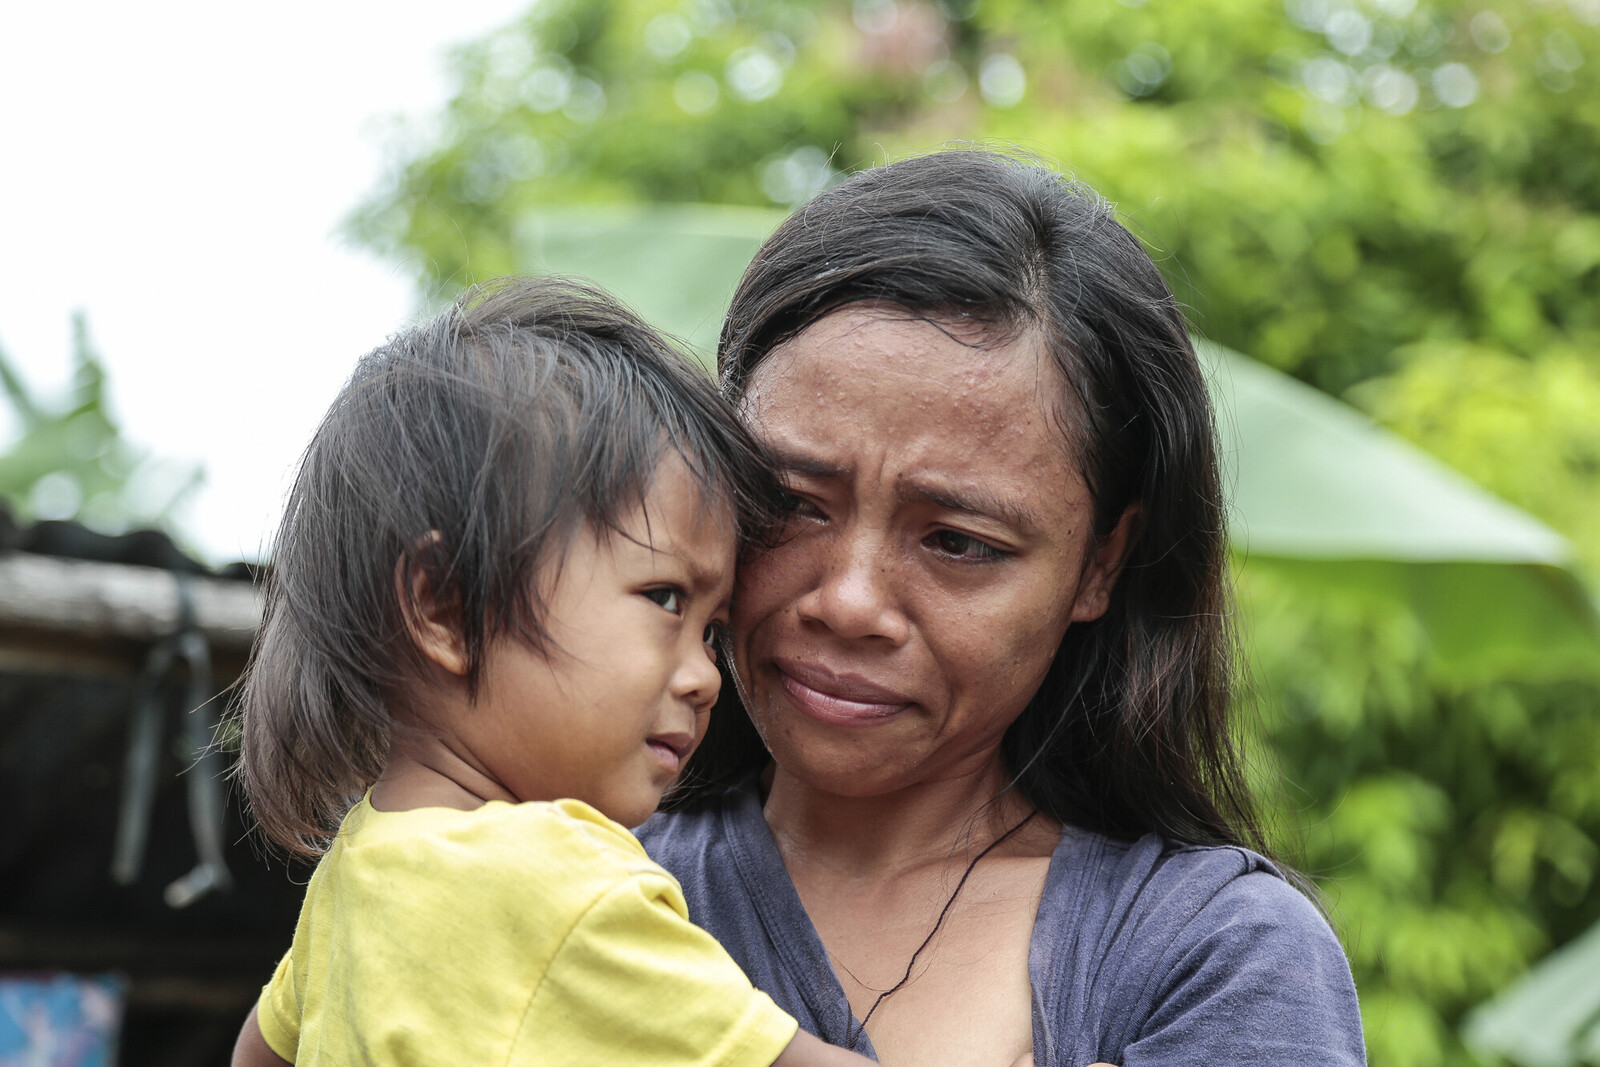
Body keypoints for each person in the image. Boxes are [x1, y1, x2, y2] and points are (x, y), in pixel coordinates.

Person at [636, 149, 1367, 1066]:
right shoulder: (558, 887)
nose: (850, 601)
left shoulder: (1209, 956)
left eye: (959, 542)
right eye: (790, 501)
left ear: (1102, 564)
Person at [228, 276, 880, 1066]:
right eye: (665, 596)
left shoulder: (360, 867)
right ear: (444, 608)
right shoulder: (557, 879)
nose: (706, 677)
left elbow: (256, 1054)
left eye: (713, 630)